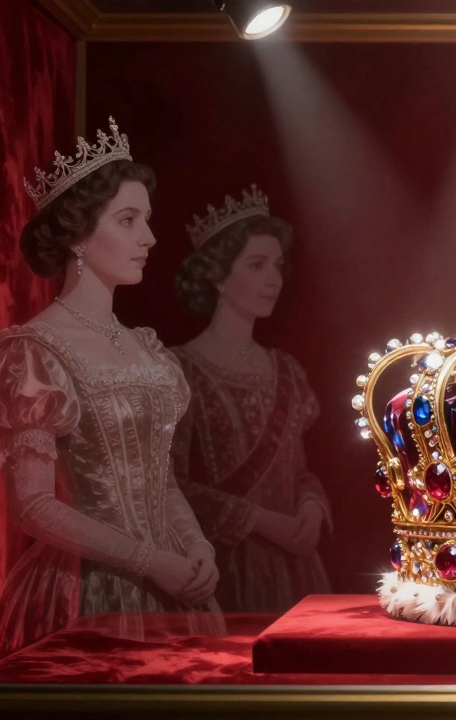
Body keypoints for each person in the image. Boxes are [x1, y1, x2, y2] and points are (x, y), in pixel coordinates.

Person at [0, 118, 224, 661]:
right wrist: (150, 561)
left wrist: (197, 547)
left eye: (146, 220)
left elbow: (161, 480)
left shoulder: (147, 349)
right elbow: (32, 504)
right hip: (85, 591)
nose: (149, 238)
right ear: (79, 234)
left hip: (177, 583)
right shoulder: (35, 350)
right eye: (128, 220)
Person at [170, 185, 331, 612]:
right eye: (257, 265)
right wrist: (259, 520)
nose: (273, 279)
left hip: (297, 567)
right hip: (226, 568)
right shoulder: (179, 370)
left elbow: (299, 471)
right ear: (219, 275)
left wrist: (311, 507)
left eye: (277, 266)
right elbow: (170, 486)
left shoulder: (288, 371)